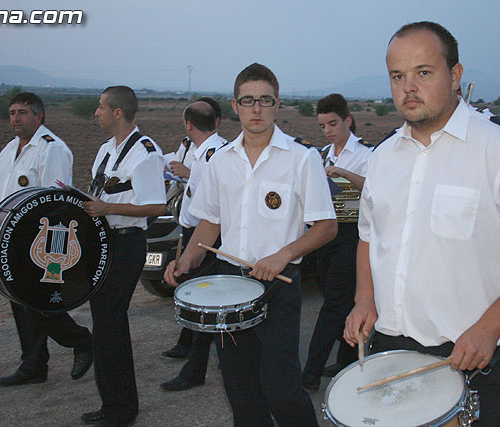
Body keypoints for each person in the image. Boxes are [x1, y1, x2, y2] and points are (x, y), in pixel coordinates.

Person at [343, 22, 500, 426]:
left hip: (473, 355)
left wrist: (489, 329)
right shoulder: (383, 157)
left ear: (455, 75)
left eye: (423, 72)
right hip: (390, 348)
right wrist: (364, 299)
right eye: (398, 76)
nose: (409, 88)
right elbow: (369, 237)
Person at [165, 63, 337, 426]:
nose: (256, 109)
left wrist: (283, 254)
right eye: (248, 100)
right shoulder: (220, 161)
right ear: (235, 105)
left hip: (278, 286)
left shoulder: (302, 158)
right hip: (230, 285)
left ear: (277, 103)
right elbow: (210, 221)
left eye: (264, 100)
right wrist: (189, 258)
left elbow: (326, 226)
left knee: (281, 388)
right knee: (240, 389)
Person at [0, 92, 93, 387]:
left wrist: (52, 255)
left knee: (37, 303)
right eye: (12, 112)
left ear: (39, 116)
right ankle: (34, 365)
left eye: (22, 112)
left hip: (38, 241)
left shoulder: (52, 149)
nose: (16, 118)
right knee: (19, 301)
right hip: (9, 238)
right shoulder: (9, 149)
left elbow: (57, 203)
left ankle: (81, 341)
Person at [80, 86, 166, 426]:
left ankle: (121, 409)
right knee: (104, 324)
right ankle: (111, 403)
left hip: (127, 244)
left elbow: (155, 206)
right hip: (104, 242)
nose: (96, 112)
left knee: (110, 324)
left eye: (101, 107)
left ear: (118, 112)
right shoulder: (106, 150)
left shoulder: (145, 153)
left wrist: (108, 208)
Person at [301, 94, 372, 390]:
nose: (328, 130)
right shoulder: (323, 154)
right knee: (340, 301)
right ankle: (346, 361)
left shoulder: (366, 154)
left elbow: (375, 188)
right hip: (326, 232)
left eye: (333, 123)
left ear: (347, 121)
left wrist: (343, 173)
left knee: (333, 304)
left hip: (352, 233)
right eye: (322, 126)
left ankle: (310, 373)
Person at [160, 101, 227, 391]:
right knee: (202, 301)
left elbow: (212, 209)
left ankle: (195, 369)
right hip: (196, 234)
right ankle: (195, 356)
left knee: (205, 303)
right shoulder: (202, 152)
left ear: (188, 125)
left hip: (208, 238)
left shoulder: (214, 155)